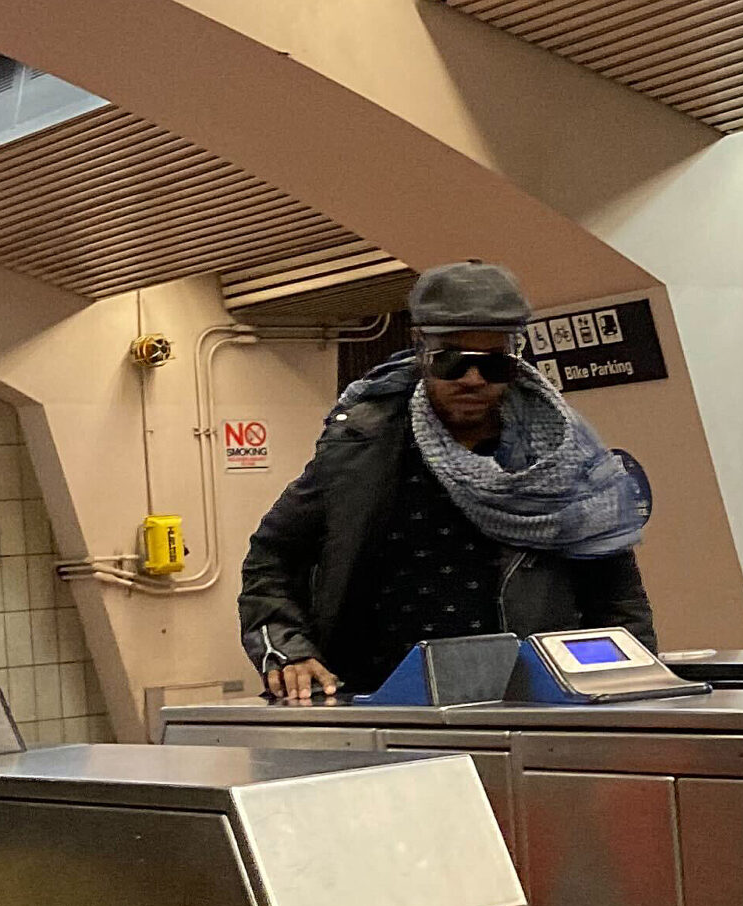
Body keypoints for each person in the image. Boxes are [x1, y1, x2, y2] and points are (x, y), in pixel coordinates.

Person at [240, 261, 654, 700]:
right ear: (421, 351)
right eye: (453, 361)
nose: (473, 380)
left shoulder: (563, 458)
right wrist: (287, 651)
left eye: (493, 366)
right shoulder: (358, 447)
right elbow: (273, 558)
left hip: (529, 704)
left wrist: (632, 696)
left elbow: (616, 592)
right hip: (377, 703)